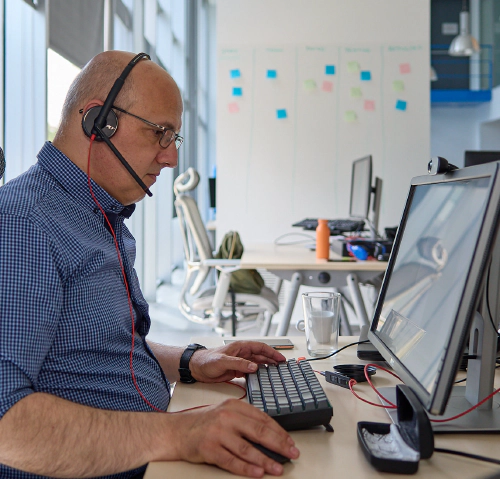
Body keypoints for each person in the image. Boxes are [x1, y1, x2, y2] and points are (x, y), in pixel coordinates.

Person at [0, 51, 299, 479]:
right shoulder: (23, 224)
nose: (171, 158)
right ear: (97, 122)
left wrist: (192, 361)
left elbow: (93, 349)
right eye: (160, 133)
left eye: (172, 139)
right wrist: (179, 434)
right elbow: (5, 424)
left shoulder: (96, 212)